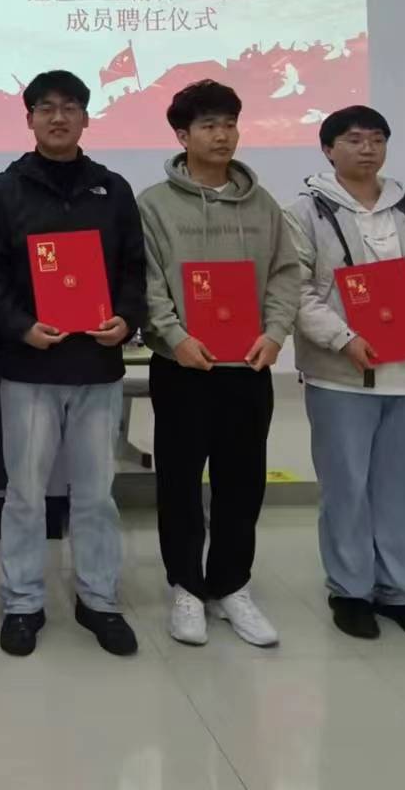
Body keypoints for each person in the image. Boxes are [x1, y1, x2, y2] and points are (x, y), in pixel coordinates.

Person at [284, 106, 405, 642]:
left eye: (377, 139)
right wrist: (342, 338)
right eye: (354, 139)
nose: (367, 149)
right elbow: (295, 289)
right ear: (328, 149)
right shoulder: (303, 212)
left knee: (403, 491)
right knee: (346, 488)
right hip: (340, 375)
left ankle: (402, 591)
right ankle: (350, 590)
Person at [0, 71, 144, 659]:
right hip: (29, 368)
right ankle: (23, 601)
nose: (57, 117)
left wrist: (126, 318)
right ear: (29, 119)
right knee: (25, 494)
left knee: (96, 494)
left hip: (97, 366)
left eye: (69, 107)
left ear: (85, 118)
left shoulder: (113, 190)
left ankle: (98, 598)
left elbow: (134, 268)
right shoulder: (4, 190)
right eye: (45, 108)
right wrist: (21, 325)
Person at [138, 79, 300, 649]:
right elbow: (148, 282)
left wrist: (275, 334)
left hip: (248, 368)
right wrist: (174, 336)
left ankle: (232, 585)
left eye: (229, 124)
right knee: (180, 481)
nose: (222, 135)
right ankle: (186, 585)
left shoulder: (263, 205)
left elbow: (285, 274)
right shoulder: (153, 205)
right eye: (208, 125)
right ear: (182, 136)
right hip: (182, 367)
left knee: (242, 481)